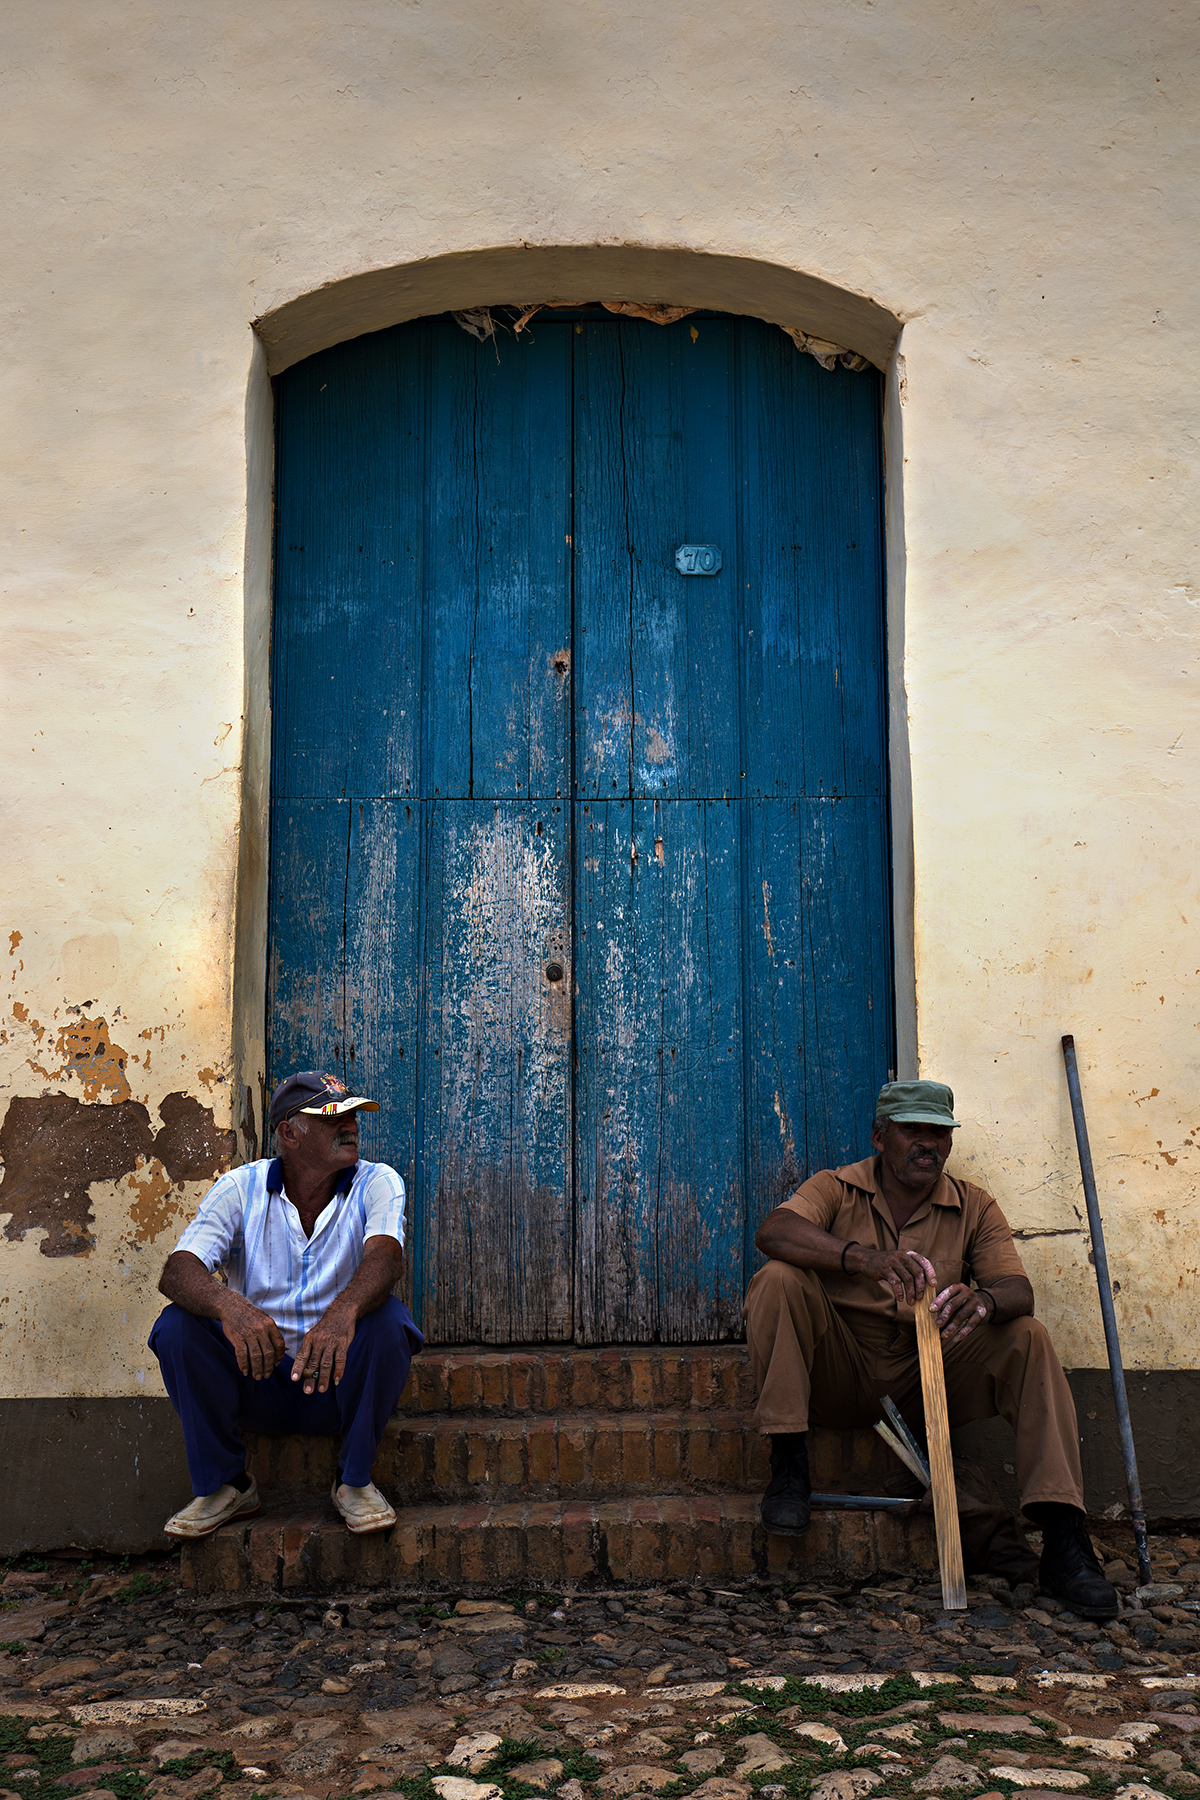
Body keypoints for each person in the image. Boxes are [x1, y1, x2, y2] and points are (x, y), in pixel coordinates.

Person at [743, 1079, 1118, 1619]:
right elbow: (775, 1230)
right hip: (837, 1372)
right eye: (912, 1130)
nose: (928, 1144)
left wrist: (985, 1300)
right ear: (879, 1136)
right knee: (779, 1278)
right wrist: (863, 1259)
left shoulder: (974, 1205)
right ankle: (788, 1466)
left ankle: (1065, 1541)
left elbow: (1019, 1291)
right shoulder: (835, 1187)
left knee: (1027, 1334)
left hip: (928, 1380)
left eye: (939, 1132)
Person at [150, 1070, 424, 1540]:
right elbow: (178, 1271)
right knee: (176, 1326)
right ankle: (226, 1485)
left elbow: (386, 1258)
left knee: (391, 1323)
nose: (352, 1126)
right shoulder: (241, 1188)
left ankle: (354, 1481)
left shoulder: (378, 1181)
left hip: (336, 1382)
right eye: (333, 1117)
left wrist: (341, 1314)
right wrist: (229, 1305)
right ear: (289, 1133)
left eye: (354, 1115)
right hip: (257, 1378)